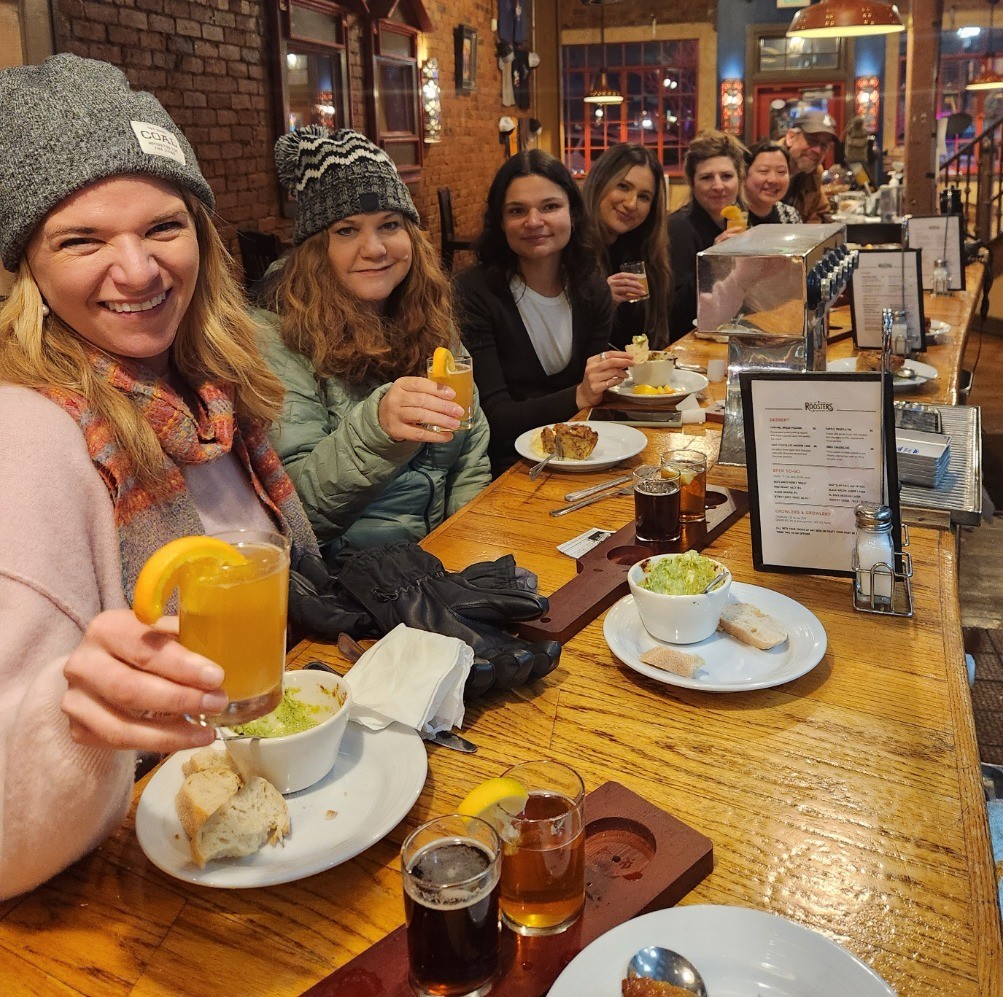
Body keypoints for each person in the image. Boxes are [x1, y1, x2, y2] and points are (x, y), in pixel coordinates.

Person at [0, 55, 319, 899]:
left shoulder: (208, 386)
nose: (138, 270)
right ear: (27, 267)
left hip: (281, 807)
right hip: (148, 883)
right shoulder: (26, 434)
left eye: (163, 226)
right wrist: (74, 725)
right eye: (82, 240)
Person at [254, 127, 490, 561]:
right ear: (316, 250)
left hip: (444, 562)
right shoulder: (277, 339)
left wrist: (470, 549)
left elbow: (469, 455)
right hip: (351, 577)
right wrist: (378, 431)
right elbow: (296, 514)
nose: (375, 248)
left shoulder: (428, 316)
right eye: (347, 230)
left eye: (390, 225)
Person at [454, 150, 627, 476]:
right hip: (507, 468)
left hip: (584, 458)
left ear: (573, 214)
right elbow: (493, 419)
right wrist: (579, 394)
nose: (534, 221)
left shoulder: (593, 290)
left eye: (550, 207)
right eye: (517, 210)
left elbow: (595, 403)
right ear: (500, 222)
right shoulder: (472, 293)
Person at [581, 143, 672, 349]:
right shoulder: (568, 249)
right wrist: (602, 302)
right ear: (600, 182)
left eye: (644, 197)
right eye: (623, 186)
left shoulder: (642, 251)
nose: (631, 204)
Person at [667, 129, 748, 339]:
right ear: (692, 182)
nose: (718, 186)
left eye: (727, 176)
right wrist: (711, 262)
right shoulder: (678, 228)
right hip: (691, 340)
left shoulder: (738, 221)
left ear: (740, 179)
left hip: (731, 332)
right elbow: (674, 309)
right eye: (706, 177)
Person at [781, 110, 837, 223]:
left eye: (824, 145)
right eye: (812, 141)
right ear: (791, 137)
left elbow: (819, 214)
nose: (817, 150)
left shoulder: (814, 173)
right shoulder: (765, 164)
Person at [742, 140, 802, 226]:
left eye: (781, 172)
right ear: (744, 173)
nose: (773, 180)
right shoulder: (729, 214)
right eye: (763, 171)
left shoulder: (790, 216)